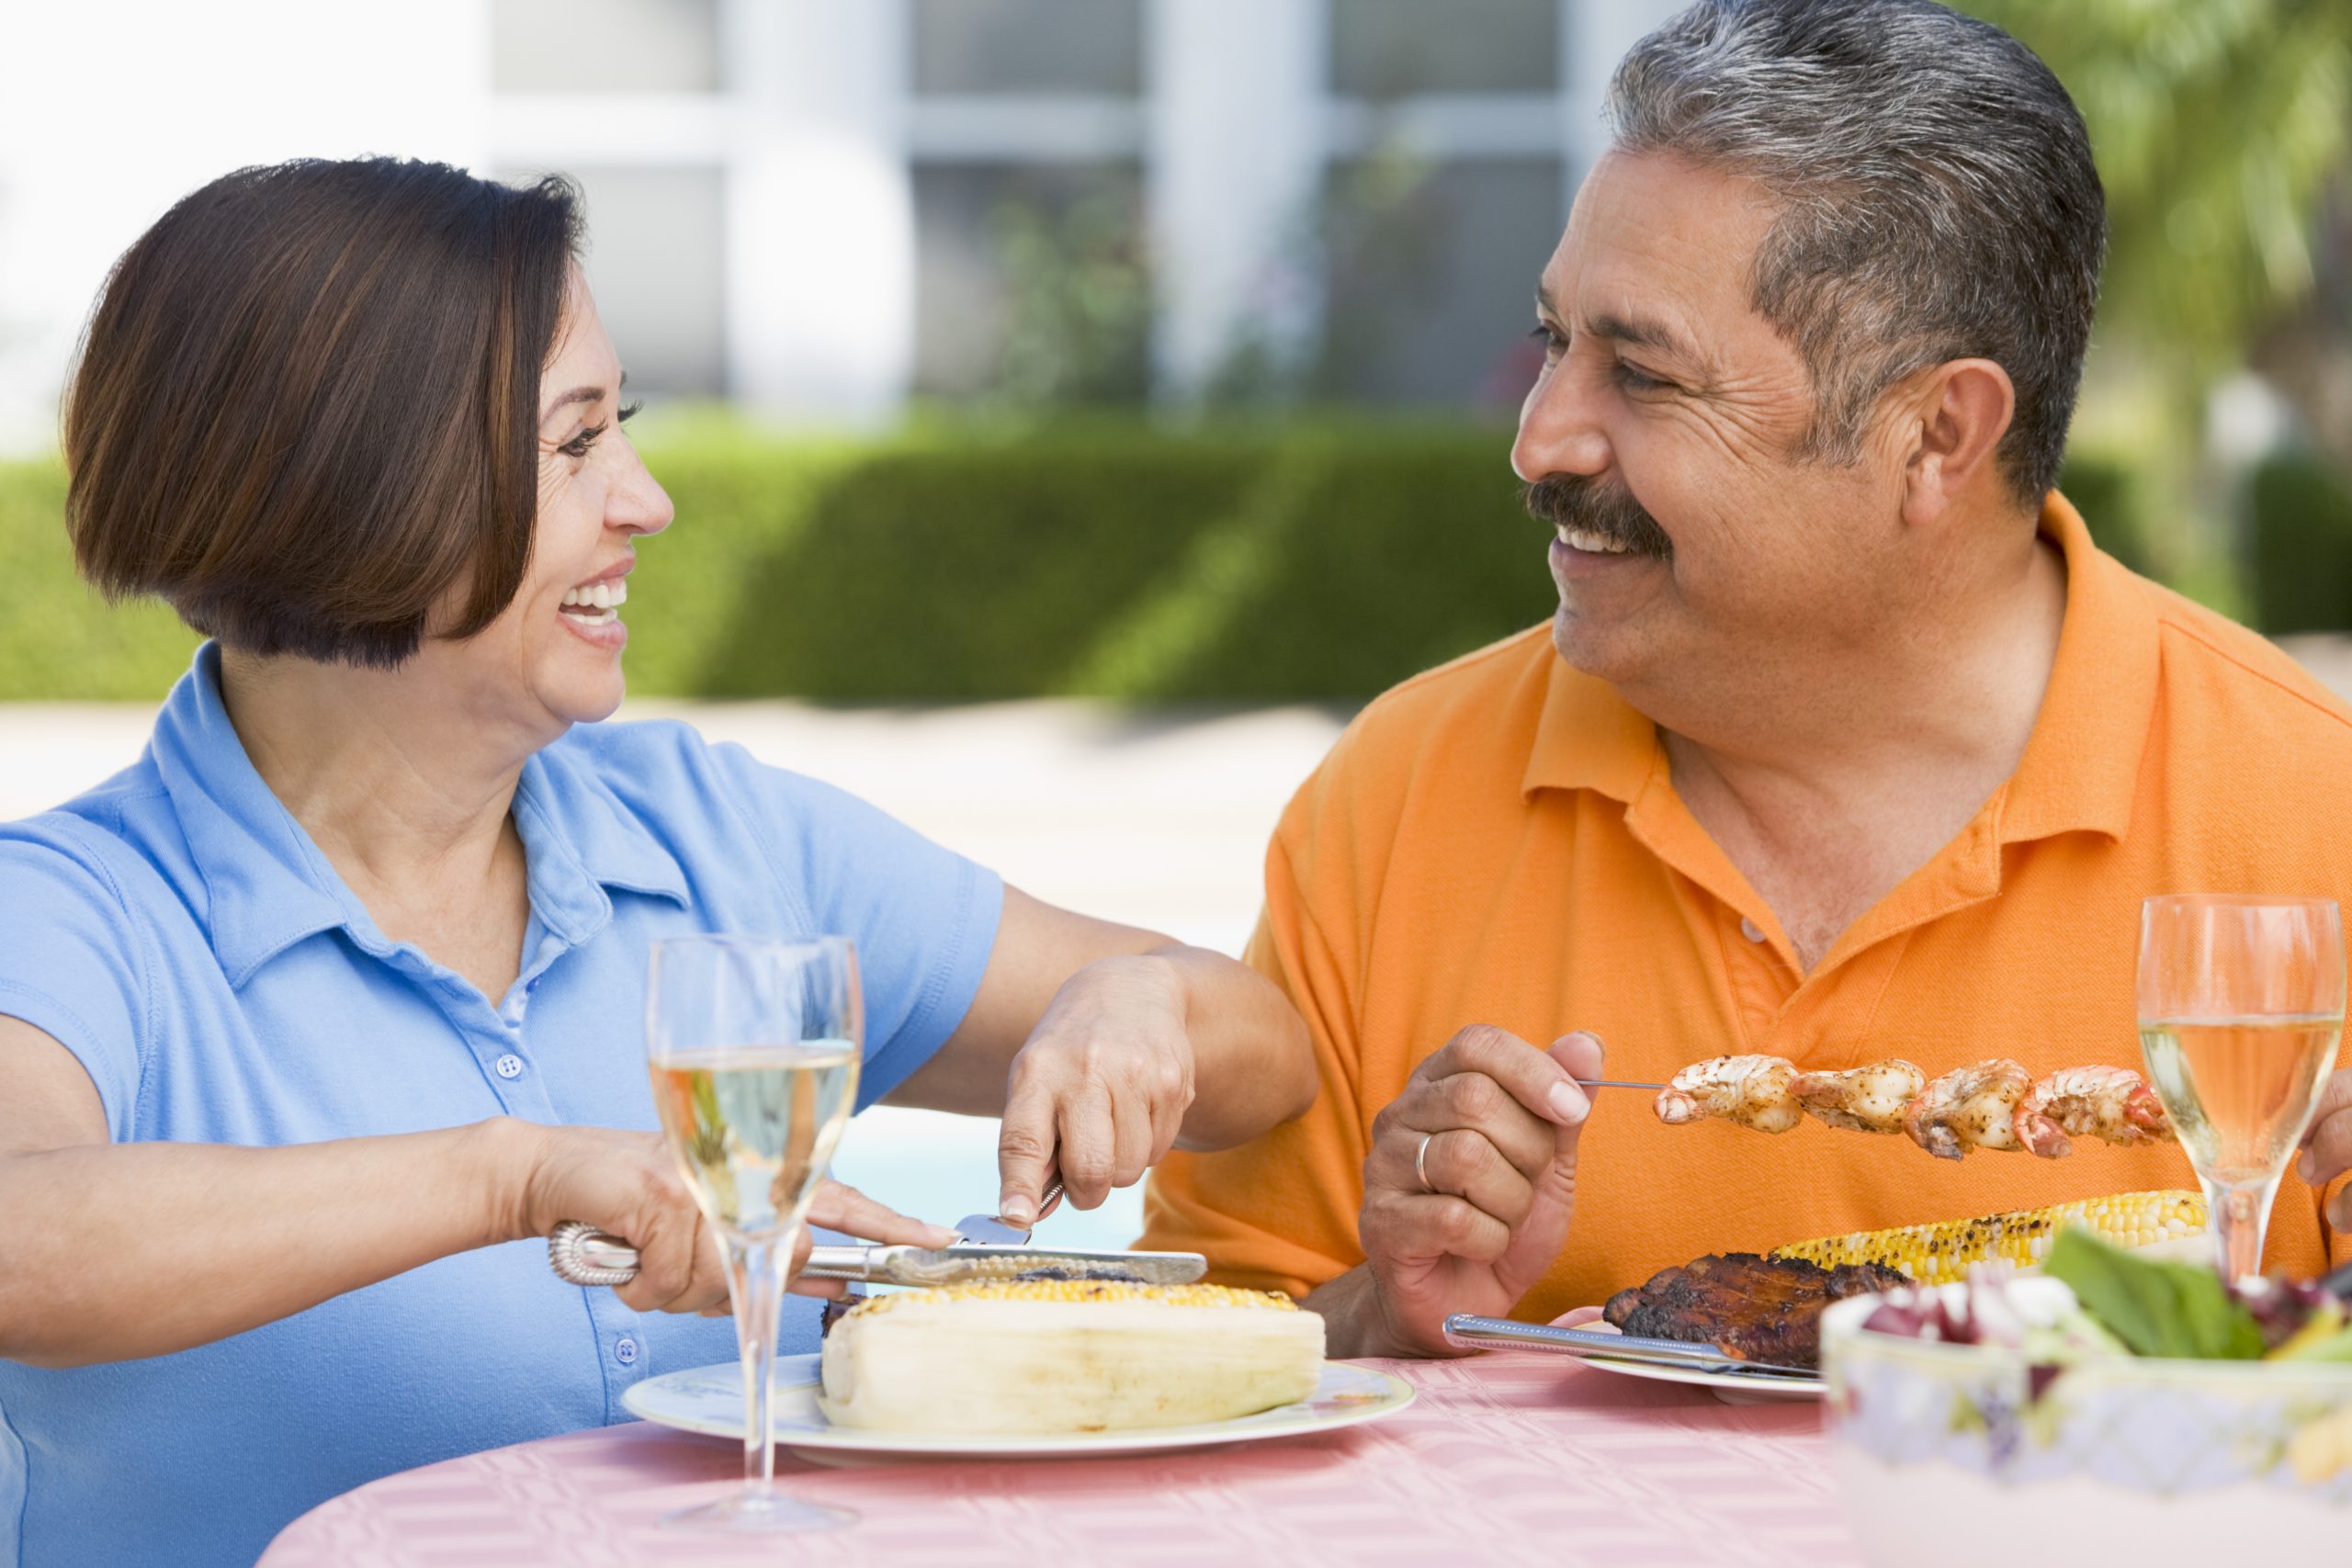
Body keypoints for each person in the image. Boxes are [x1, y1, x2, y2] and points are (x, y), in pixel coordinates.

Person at [0, 158, 1314, 1568]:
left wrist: (1143, 1001)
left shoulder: (717, 834)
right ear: (354, 482)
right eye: (574, 447)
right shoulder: (75, 911)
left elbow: (1267, 1058)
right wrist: (513, 1177)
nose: (648, 502)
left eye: (617, 426)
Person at [1139, 0, 2352, 1358]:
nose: (1540, 441)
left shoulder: (2316, 814)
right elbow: (1195, 1374)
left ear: (1938, 434)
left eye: (1644, 375)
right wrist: (1391, 1307)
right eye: (1555, 343)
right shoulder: (1401, 796)